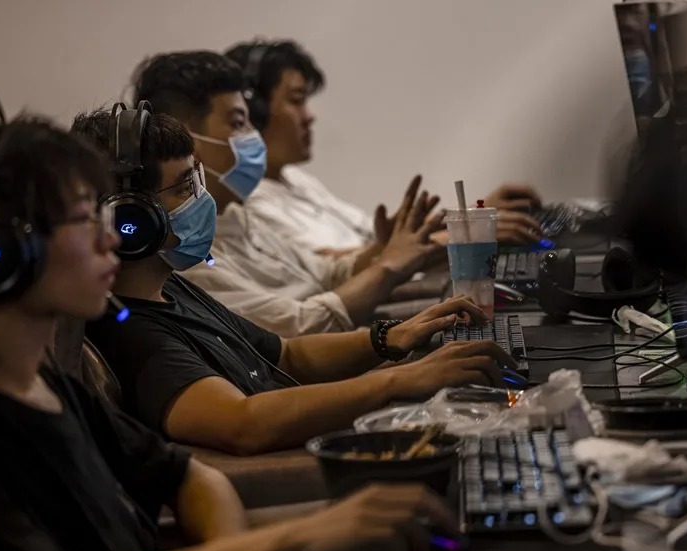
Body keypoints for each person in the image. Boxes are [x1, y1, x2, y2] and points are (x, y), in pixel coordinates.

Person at [0, 101, 462, 551]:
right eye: (83, 219)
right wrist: (293, 541)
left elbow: (192, 479)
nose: (109, 237)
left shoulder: (50, 385)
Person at [75, 106, 514, 456]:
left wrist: (388, 338)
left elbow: (289, 354)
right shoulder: (131, 332)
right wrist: (397, 380)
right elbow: (242, 422)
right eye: (185, 187)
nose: (201, 198)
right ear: (131, 219)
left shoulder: (171, 287)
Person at [131, 50, 447, 336]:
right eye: (238, 123)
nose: (253, 135)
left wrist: (382, 247)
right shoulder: (186, 255)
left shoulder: (236, 215)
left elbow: (327, 273)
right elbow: (298, 328)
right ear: (186, 141)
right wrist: (388, 265)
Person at [224, 39, 548, 255]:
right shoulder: (248, 202)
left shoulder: (295, 180)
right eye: (297, 101)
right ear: (254, 111)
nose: (310, 116)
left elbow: (381, 240)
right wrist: (467, 232)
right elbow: (338, 269)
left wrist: (472, 215)